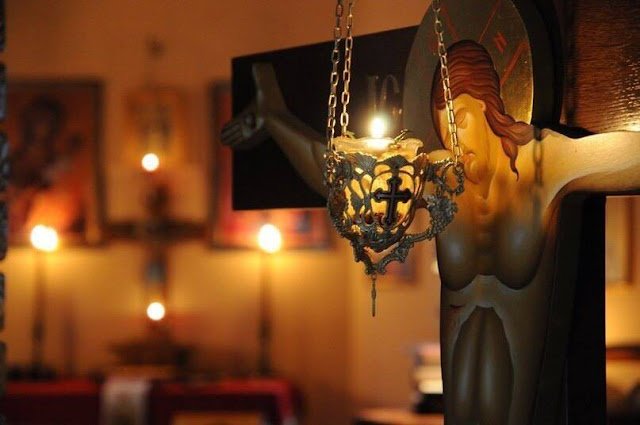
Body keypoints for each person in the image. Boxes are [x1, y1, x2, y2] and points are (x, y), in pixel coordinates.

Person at [223, 39, 640, 425]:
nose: (454, 141)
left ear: (491, 105)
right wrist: (275, 118)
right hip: (458, 382)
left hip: (527, 383)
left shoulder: (547, 163)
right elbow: (336, 177)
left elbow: (626, 158)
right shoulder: (442, 177)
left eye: (460, 120)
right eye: (443, 127)